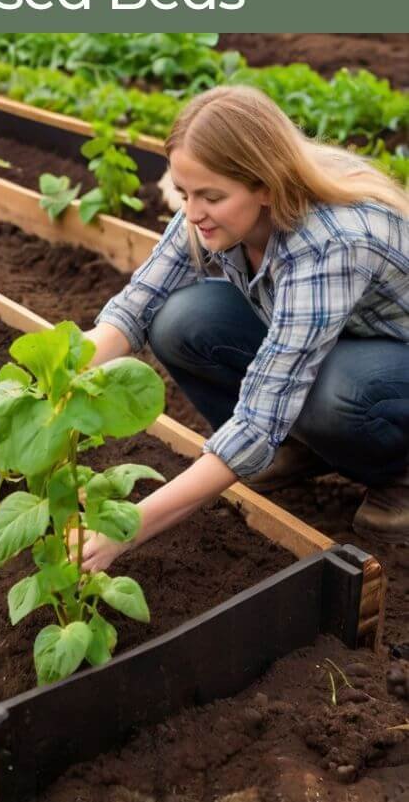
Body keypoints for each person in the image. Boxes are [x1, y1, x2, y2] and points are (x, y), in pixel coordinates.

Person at [82, 85, 409, 572]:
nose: (192, 212)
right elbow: (138, 305)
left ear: (266, 187)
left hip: (389, 364)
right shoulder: (213, 210)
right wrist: (49, 378)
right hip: (337, 337)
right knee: (180, 320)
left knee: (333, 393)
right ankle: (299, 452)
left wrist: (130, 525)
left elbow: (261, 413)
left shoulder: (328, 243)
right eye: (185, 192)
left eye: (210, 196)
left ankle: (398, 477)